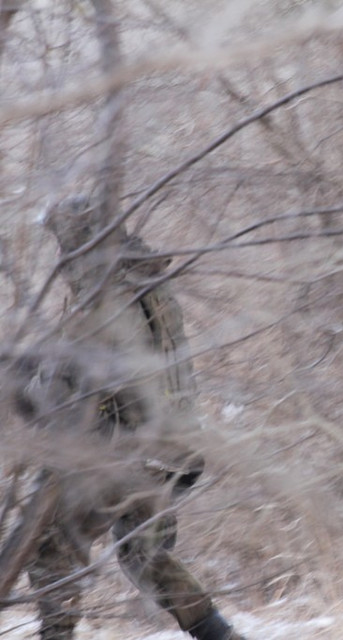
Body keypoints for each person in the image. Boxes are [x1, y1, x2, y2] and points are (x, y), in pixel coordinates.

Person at [2, 196, 245, 640]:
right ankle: (221, 636)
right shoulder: (150, 282)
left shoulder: (103, 295)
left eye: (65, 243)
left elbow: (82, 380)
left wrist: (23, 383)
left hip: (126, 451)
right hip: (176, 452)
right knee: (145, 556)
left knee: (53, 548)